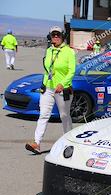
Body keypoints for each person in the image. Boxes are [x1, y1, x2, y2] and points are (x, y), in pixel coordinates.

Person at [25, 26, 76, 154]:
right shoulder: (49, 51)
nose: (55, 37)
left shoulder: (69, 52)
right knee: (43, 115)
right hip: (48, 88)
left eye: (58, 35)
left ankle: (70, 142)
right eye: (53, 35)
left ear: (63, 36)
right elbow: (47, 70)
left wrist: (63, 84)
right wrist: (44, 84)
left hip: (62, 89)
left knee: (64, 116)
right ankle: (36, 143)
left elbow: (72, 71)